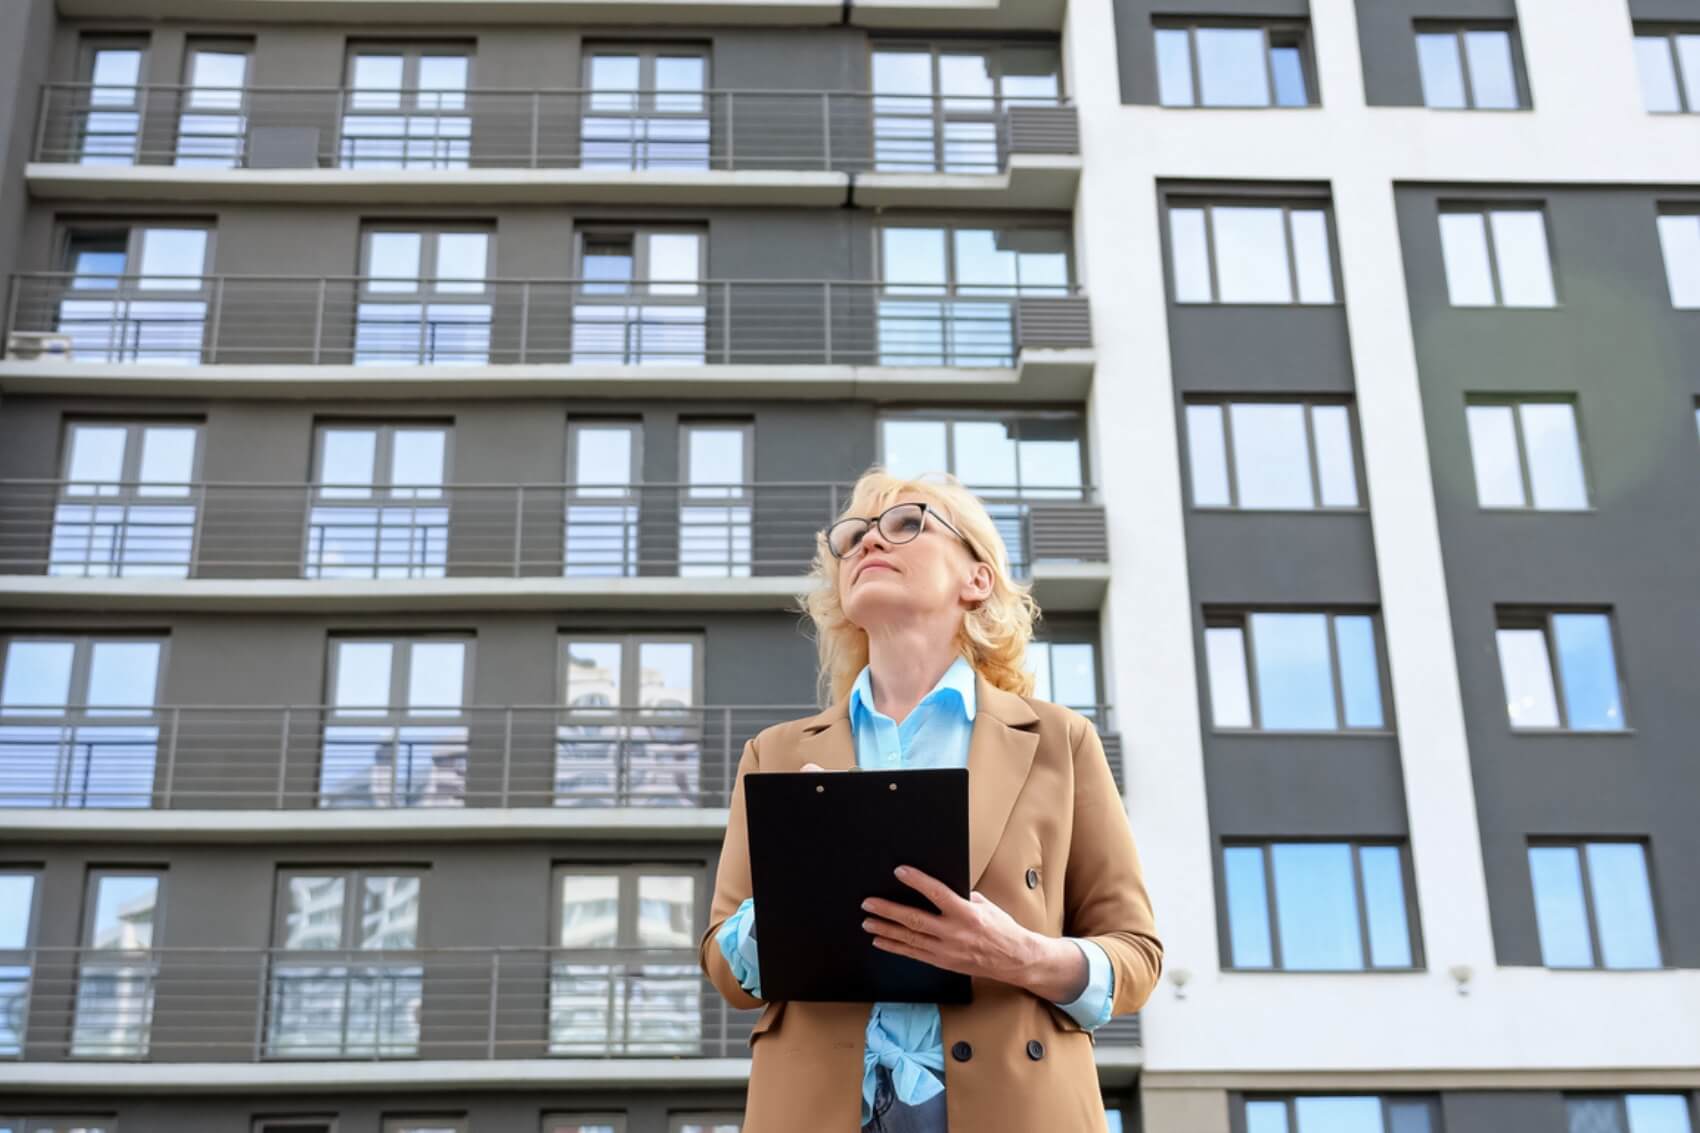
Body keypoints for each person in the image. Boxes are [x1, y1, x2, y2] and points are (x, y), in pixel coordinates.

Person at [698, 468, 1163, 1133]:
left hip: (1017, 1104)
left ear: (976, 579)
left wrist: (1024, 955)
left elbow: (1137, 955)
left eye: (906, 524)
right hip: (818, 1108)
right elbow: (725, 967)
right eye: (852, 536)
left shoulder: (1060, 741)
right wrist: (791, 893)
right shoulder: (774, 753)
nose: (866, 543)